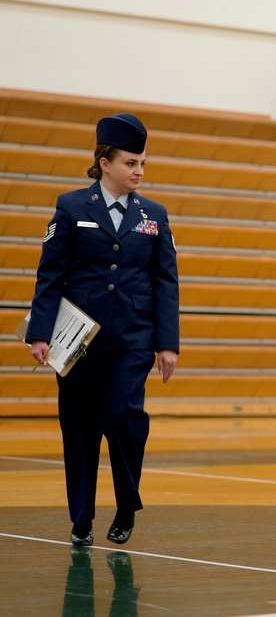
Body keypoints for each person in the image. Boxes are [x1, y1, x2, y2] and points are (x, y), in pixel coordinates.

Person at [26, 113, 180, 547]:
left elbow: (167, 280)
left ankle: (127, 504)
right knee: (78, 428)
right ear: (104, 161)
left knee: (123, 417)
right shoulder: (71, 206)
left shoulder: (154, 215)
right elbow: (49, 275)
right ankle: (81, 519)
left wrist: (167, 344)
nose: (139, 172)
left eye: (143, 164)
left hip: (133, 339)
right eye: (131, 163)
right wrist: (39, 333)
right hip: (77, 342)